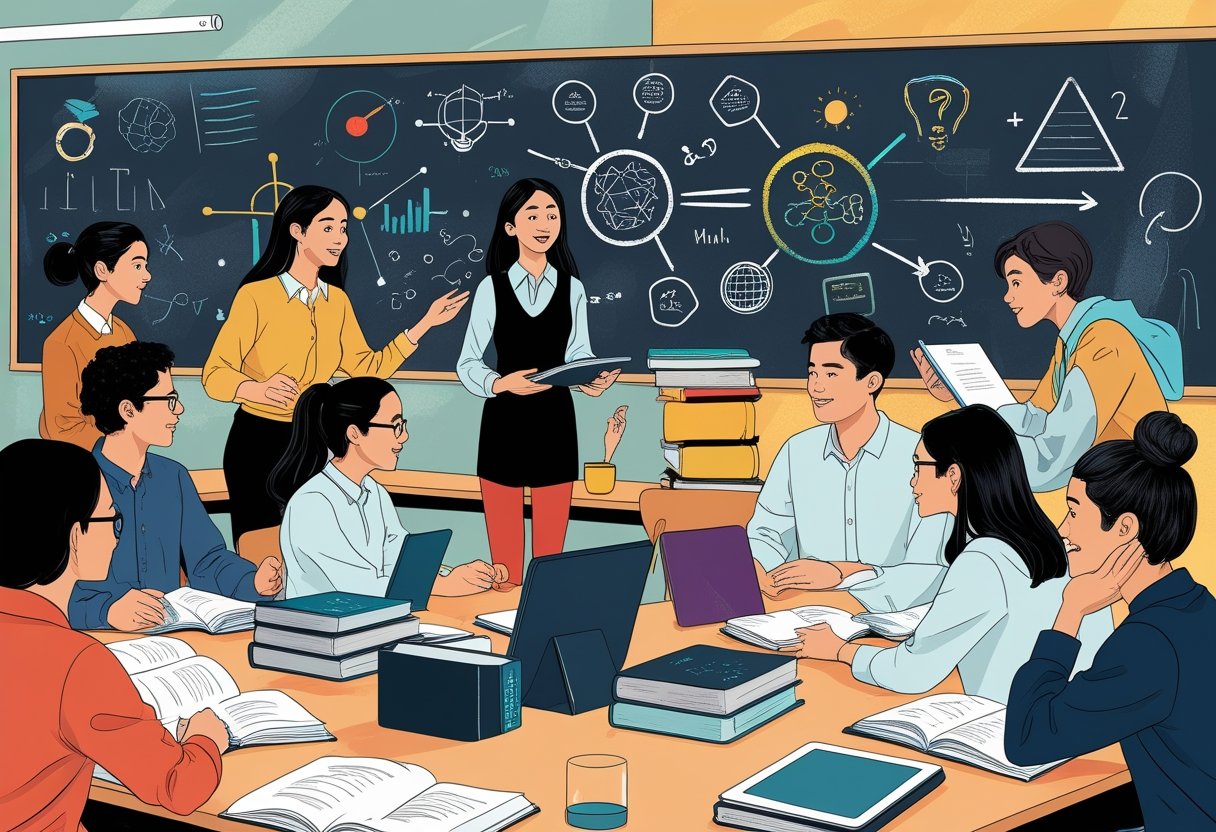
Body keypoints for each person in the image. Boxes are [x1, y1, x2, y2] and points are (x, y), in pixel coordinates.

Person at [783, 405, 1114, 704]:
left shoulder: (985, 559)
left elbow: (911, 673)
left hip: (1006, 731)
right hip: (1075, 718)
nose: (912, 482)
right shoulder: (1053, 543)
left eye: (918, 466)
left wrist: (840, 651)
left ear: (953, 475)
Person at [202, 185, 469, 544]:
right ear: (297, 231)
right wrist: (257, 389)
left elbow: (367, 369)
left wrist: (424, 324)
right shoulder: (257, 296)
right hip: (258, 441)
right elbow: (214, 374)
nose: (339, 238)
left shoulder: (337, 302)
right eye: (327, 227)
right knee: (262, 552)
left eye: (343, 228)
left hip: (312, 442)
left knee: (311, 545)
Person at [0, 438, 227, 831]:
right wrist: (207, 740)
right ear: (74, 536)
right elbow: (177, 786)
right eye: (112, 520)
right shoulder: (73, 661)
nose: (117, 536)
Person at [1005, 412, 1214, 830]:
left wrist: (1070, 613)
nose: (1062, 530)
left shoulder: (1148, 643)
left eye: (1073, 512)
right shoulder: (1196, 605)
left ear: (1124, 528)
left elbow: (1026, 739)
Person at [912, 221, 1183, 492]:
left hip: (1137, 498)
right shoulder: (1071, 341)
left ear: (1058, 282)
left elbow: (1048, 464)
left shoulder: (1103, 342)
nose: (1008, 296)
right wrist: (960, 398)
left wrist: (976, 446)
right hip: (1110, 490)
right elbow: (1032, 419)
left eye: (1016, 282)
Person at [457, 178, 620, 585]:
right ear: (510, 227)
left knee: (550, 563)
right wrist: (500, 384)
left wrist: (589, 380)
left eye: (552, 214)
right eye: (532, 214)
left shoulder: (573, 289)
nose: (544, 223)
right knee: (506, 571)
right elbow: (467, 363)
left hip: (555, 425)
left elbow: (578, 354)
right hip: (504, 426)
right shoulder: (490, 288)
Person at [747, 313, 952, 612]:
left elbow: (930, 571)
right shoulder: (796, 451)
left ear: (871, 382)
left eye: (831, 374)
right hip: (805, 613)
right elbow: (767, 533)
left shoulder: (923, 456)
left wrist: (844, 574)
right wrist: (759, 566)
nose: (815, 388)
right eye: (812, 373)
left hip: (894, 624)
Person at [71, 341, 282, 631]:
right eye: (169, 399)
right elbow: (45, 589)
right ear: (128, 410)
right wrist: (105, 611)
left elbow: (207, 560)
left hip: (170, 637)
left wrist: (252, 581)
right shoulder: (75, 483)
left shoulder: (173, 477)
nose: (179, 409)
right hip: (97, 642)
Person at [270, 377, 508, 598]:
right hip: (322, 633)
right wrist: (442, 585)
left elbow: (400, 561)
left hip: (371, 624)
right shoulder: (312, 502)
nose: (403, 437)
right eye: (395, 426)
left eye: (402, 425)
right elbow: (354, 585)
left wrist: (462, 574)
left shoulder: (374, 493)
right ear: (354, 433)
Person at [39, 221, 148, 449]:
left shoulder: (124, 332)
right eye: (137, 266)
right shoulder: (61, 343)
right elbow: (63, 429)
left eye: (145, 266)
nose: (147, 276)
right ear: (102, 270)